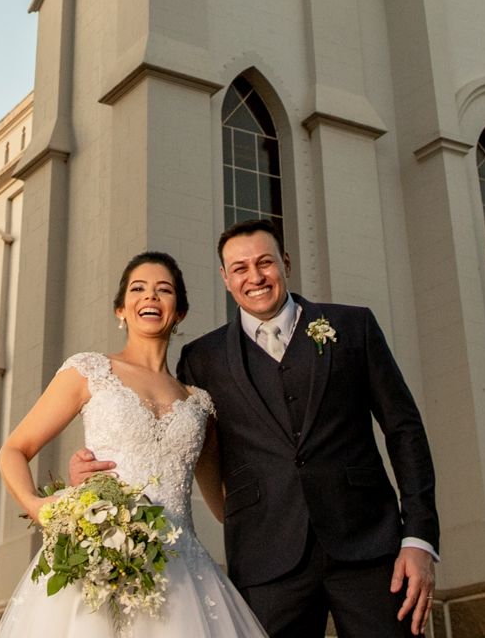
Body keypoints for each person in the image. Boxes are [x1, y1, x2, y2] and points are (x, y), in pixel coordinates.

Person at [74, 221, 439, 637]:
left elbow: (405, 430)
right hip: (265, 560)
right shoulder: (201, 359)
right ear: (225, 278)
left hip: (370, 548)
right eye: (240, 268)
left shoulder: (354, 326)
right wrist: (94, 473)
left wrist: (419, 539)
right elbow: (171, 443)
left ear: (286, 264)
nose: (255, 276)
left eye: (265, 263)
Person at [0, 251, 269, 636]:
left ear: (179, 312)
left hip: (183, 575)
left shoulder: (199, 404)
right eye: (138, 289)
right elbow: (13, 451)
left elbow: (225, 506)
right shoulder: (89, 371)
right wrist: (39, 507)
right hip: (102, 559)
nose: (150, 296)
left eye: (164, 290)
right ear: (120, 310)